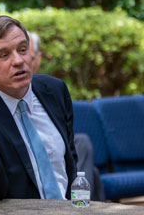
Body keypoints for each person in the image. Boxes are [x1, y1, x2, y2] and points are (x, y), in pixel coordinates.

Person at [0, 15, 78, 200]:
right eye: (4, 55)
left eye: (23, 50)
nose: (18, 61)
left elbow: (71, 163)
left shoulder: (55, 91)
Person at [28, 31, 106, 201]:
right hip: (27, 157)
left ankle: (80, 202)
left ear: (38, 59)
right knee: (92, 174)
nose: (21, 62)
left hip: (56, 156)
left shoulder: (51, 89)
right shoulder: (0, 98)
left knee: (82, 143)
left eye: (27, 55)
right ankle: (82, 204)